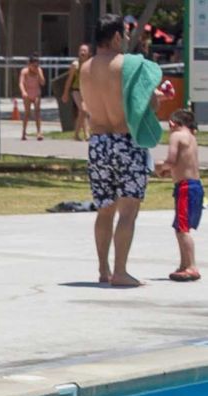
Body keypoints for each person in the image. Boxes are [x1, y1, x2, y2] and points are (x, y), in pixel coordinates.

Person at [80, 13, 163, 287]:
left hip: (98, 142)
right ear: (116, 36)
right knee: (128, 211)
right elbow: (146, 105)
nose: (127, 39)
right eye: (125, 35)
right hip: (126, 142)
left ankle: (103, 269)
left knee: (104, 209)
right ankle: (121, 271)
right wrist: (157, 100)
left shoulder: (85, 68)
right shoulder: (129, 65)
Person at [158, 109, 202, 282]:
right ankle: (184, 265)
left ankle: (191, 266)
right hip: (194, 185)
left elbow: (171, 160)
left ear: (172, 123)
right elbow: (184, 164)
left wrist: (158, 167)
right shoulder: (191, 137)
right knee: (180, 228)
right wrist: (169, 172)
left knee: (182, 229)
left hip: (185, 188)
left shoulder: (176, 136)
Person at [62, 44, 91, 141]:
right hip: (76, 90)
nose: (82, 52)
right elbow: (69, 80)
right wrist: (65, 93)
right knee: (83, 110)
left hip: (86, 90)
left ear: (88, 53)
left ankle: (81, 134)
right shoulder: (75, 65)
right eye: (81, 50)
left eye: (85, 51)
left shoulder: (91, 64)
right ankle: (82, 134)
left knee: (83, 112)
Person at [19, 54, 46, 141]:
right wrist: (23, 92)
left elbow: (42, 83)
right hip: (27, 93)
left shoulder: (39, 71)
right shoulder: (25, 72)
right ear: (29, 65)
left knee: (37, 112)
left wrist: (39, 74)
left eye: (37, 65)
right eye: (34, 65)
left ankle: (39, 132)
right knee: (27, 113)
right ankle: (24, 132)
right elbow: (21, 83)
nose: (35, 67)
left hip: (36, 93)